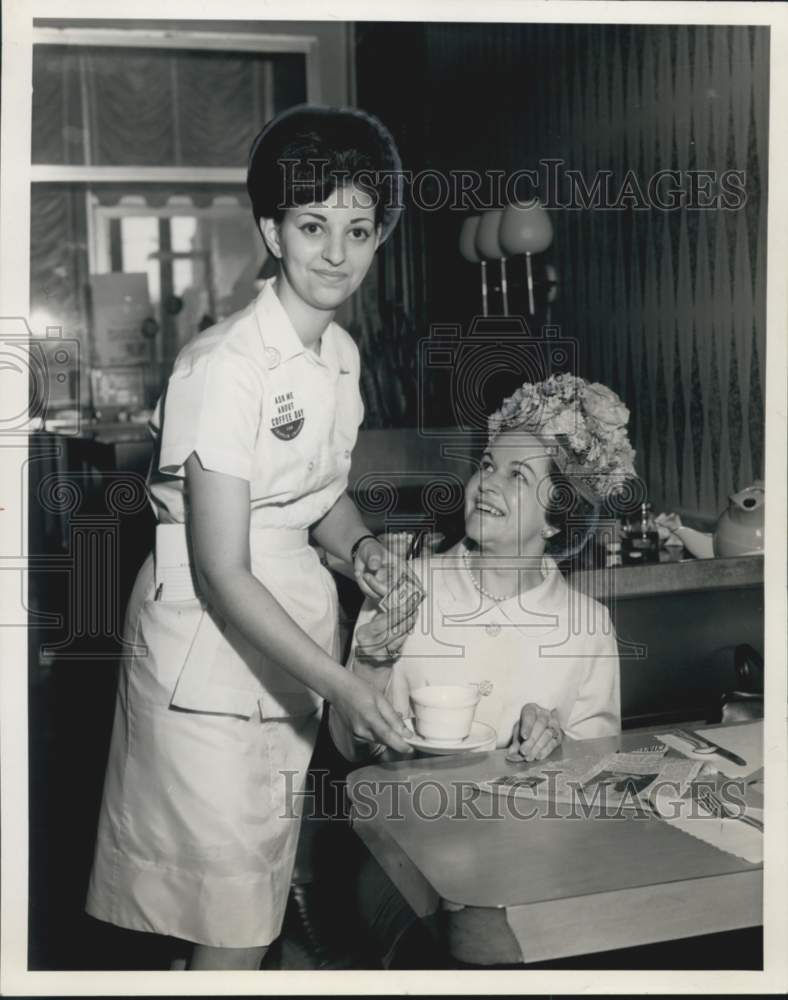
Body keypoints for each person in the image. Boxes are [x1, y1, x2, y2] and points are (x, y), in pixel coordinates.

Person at [85, 104, 418, 971]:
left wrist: (363, 550)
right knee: (231, 921)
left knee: (254, 900)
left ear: (379, 235)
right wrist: (346, 686)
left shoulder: (339, 358)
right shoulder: (222, 366)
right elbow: (225, 568)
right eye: (313, 226)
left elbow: (318, 497)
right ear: (272, 229)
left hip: (290, 646)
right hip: (210, 655)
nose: (337, 254)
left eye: (358, 229)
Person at [330, 373, 637, 966]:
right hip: (403, 851)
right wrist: (368, 665)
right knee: (474, 941)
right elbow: (346, 749)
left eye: (517, 476)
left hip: (539, 862)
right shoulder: (405, 587)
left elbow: (603, 778)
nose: (486, 484)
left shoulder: (588, 626)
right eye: (488, 465)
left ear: (556, 519)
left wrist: (558, 742)